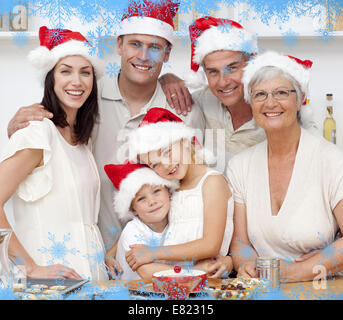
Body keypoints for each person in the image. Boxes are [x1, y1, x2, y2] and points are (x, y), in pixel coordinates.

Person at [6, 0, 205, 251]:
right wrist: (16, 129)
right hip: (93, 257)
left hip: (164, 259)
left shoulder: (184, 110)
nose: (143, 56)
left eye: (154, 47)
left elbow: (195, 189)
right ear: (119, 44)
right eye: (135, 44)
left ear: (167, 54)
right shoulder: (85, 99)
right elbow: (51, 136)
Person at [0, 26, 108, 280]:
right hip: (49, 284)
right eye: (65, 71)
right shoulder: (37, 133)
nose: (77, 81)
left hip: (88, 280)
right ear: (50, 78)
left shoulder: (81, 140)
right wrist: (30, 267)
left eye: (85, 72)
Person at [227, 51, 343, 282]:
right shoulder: (239, 166)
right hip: (264, 291)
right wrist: (247, 265)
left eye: (281, 92)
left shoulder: (331, 159)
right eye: (260, 94)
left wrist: (300, 271)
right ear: (251, 103)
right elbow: (240, 243)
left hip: (321, 289)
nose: (270, 103)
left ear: (300, 100)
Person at [161, 16, 318, 174]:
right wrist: (164, 79)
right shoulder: (200, 102)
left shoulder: (275, 111)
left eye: (232, 68)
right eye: (213, 72)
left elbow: (317, 160)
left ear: (251, 66)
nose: (223, 82)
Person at [124, 107, 233, 276]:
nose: (166, 164)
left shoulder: (212, 182)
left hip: (208, 279)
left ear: (184, 141)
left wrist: (153, 252)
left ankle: (193, 274)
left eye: (167, 152)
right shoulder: (173, 190)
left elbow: (211, 245)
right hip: (176, 279)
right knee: (144, 271)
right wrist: (110, 253)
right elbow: (148, 223)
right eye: (155, 164)